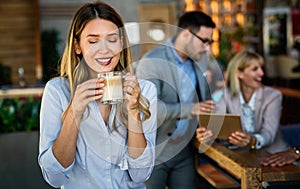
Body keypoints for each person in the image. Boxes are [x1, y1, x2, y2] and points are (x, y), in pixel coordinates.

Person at [38, 1, 157, 189]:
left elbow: (140, 174)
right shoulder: (57, 91)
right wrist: (74, 112)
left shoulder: (145, 91)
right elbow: (55, 178)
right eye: (93, 41)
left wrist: (133, 112)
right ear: (77, 46)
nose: (105, 50)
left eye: (112, 40)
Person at [136, 11, 221, 189]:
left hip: (185, 151)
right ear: (186, 34)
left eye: (210, 42)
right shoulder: (152, 61)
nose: (208, 48)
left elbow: (208, 99)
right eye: (205, 41)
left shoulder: (201, 61)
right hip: (154, 152)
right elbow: (149, 109)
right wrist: (190, 109)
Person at [196, 50, 289, 152]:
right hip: (244, 155)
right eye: (255, 69)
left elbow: (269, 135)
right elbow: (216, 122)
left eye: (261, 68)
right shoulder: (227, 94)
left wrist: (252, 140)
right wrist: (207, 134)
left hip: (274, 155)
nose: (262, 73)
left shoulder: (273, 96)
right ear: (240, 73)